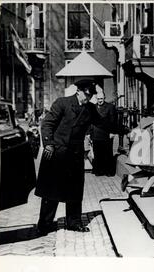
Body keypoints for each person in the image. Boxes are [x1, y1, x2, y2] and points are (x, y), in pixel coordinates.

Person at [35, 79, 114, 235]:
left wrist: (125, 129)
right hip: (57, 152)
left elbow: (104, 124)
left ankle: (74, 223)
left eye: (91, 94)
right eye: (87, 93)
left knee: (75, 190)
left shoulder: (90, 109)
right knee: (51, 191)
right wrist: (49, 144)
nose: (89, 97)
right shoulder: (62, 103)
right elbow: (47, 124)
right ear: (78, 91)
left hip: (75, 156)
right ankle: (44, 225)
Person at [118, 100, 154, 197]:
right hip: (151, 151)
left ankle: (129, 177)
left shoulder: (146, 120)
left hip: (141, 150)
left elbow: (135, 132)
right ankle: (145, 191)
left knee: (149, 170)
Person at [89, 91, 117, 176]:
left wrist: (112, 132)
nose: (99, 100)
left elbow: (113, 120)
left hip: (106, 133)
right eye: (98, 99)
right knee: (97, 152)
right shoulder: (93, 107)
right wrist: (89, 133)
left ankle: (108, 171)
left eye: (101, 98)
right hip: (95, 133)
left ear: (104, 98)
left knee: (107, 152)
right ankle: (98, 170)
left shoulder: (110, 107)